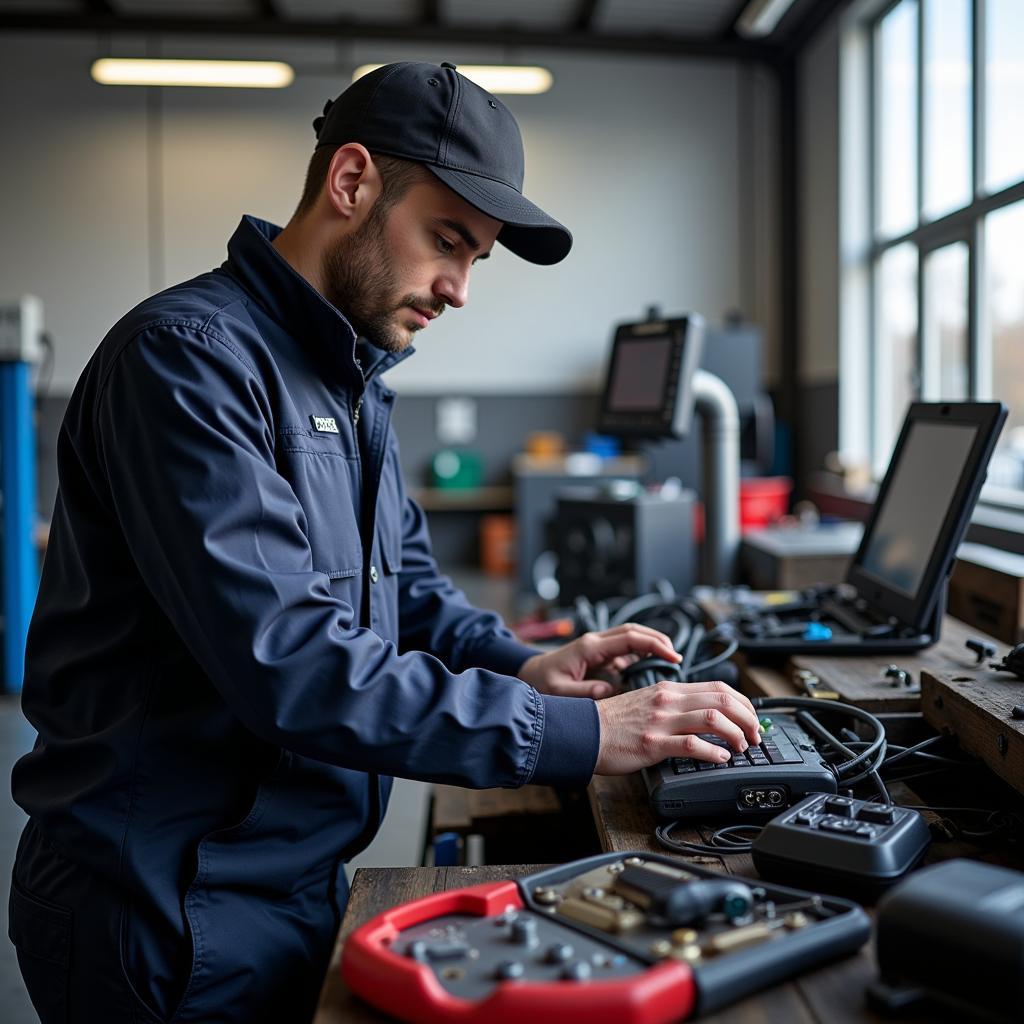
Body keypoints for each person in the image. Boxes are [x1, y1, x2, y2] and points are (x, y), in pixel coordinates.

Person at [9, 61, 762, 1023]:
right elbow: (297, 665)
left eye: (477, 259)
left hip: (286, 881)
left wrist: (530, 669)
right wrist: (586, 735)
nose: (457, 290)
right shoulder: (188, 363)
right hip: (165, 904)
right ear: (352, 181)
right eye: (446, 240)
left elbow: (406, 595)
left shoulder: (349, 382)